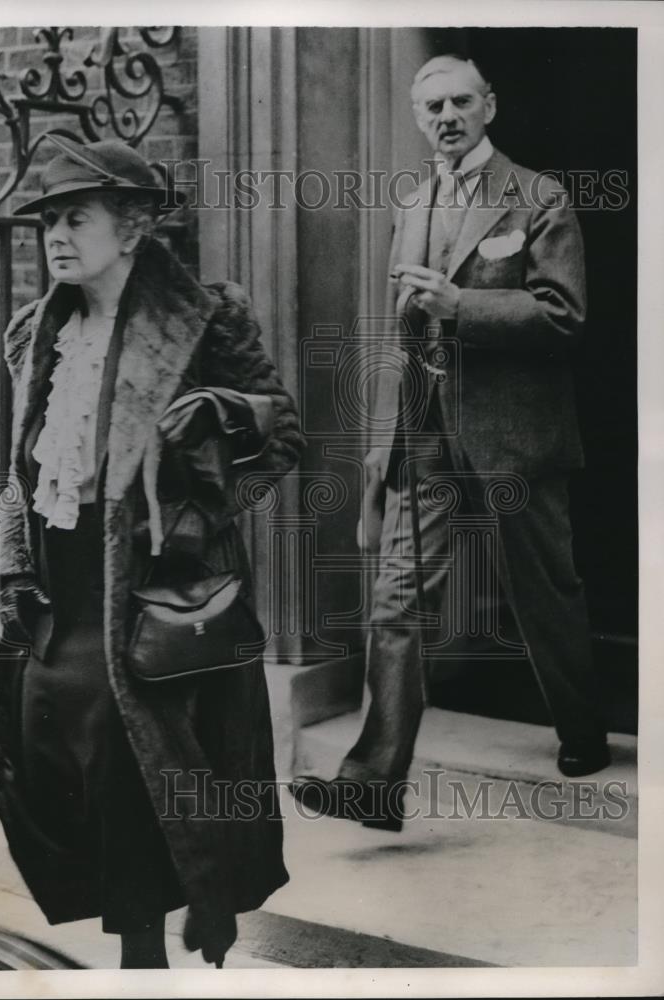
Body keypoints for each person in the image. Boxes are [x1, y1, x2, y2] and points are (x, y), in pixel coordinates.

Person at [0, 135, 304, 968]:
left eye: (75, 217)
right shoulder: (33, 334)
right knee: (78, 771)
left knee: (147, 780)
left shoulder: (207, 317)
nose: (57, 234)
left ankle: (146, 963)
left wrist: (205, 465)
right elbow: (17, 470)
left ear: (130, 228)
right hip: (64, 594)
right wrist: (12, 554)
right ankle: (142, 946)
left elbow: (282, 435)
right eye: (49, 218)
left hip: (163, 598)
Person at [290, 53, 610, 833]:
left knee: (545, 593)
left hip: (515, 437)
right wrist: (382, 443)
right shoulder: (413, 202)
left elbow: (565, 316)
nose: (447, 117)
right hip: (425, 434)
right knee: (396, 601)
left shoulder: (538, 196)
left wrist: (461, 301)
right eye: (432, 106)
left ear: (489, 107)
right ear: (417, 115)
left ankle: (582, 731)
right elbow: (399, 338)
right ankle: (372, 782)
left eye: (462, 102)